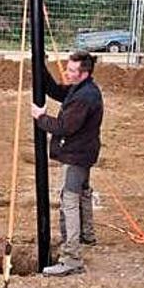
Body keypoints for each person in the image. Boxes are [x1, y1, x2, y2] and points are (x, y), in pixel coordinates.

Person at [30, 51, 104, 276]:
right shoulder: (81, 89)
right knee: (82, 193)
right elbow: (55, 90)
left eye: (72, 71)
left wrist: (40, 118)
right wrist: (39, 65)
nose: (67, 73)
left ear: (85, 73)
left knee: (70, 201)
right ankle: (86, 235)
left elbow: (64, 126)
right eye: (68, 69)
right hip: (83, 152)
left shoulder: (84, 97)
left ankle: (71, 259)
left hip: (76, 156)